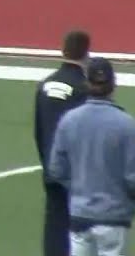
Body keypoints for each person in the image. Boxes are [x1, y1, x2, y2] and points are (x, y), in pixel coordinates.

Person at [48, 57, 135, 256]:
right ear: (113, 84)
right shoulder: (127, 124)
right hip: (114, 216)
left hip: (80, 214)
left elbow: (56, 169)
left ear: (87, 83)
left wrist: (79, 188)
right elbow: (132, 177)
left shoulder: (69, 120)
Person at [36, 30, 92, 256]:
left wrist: (47, 159)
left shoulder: (45, 85)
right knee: (81, 227)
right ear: (86, 53)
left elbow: (38, 129)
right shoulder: (83, 88)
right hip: (77, 171)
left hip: (51, 164)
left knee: (54, 224)